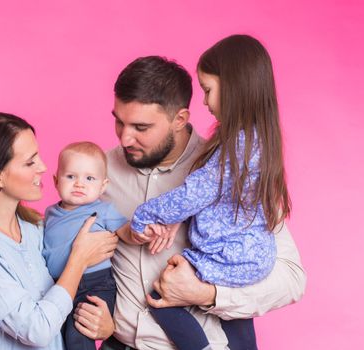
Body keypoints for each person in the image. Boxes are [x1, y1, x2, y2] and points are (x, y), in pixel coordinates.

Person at [74, 52, 306, 349]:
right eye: (120, 122)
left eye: (141, 128)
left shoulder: (234, 170)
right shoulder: (96, 173)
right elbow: (72, 247)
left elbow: (291, 279)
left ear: (179, 119)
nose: (125, 139)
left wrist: (206, 294)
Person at [128, 34, 289, 349]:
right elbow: (220, 201)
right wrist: (184, 218)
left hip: (227, 255)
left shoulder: (237, 148)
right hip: (249, 255)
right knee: (237, 319)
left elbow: (194, 194)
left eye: (207, 90)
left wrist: (143, 215)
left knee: (160, 293)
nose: (203, 102)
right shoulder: (259, 139)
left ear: (234, 88)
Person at [0, 112, 118, 349]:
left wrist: (104, 326)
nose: (43, 167)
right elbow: (36, 330)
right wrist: (79, 259)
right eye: (30, 162)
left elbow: (60, 307)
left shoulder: (35, 228)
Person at [43, 141, 128, 350]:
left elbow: (126, 231)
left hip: (95, 284)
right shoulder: (49, 213)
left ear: (103, 185)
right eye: (71, 176)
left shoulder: (103, 210)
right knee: (57, 337)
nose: (79, 184)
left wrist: (142, 233)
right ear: (56, 181)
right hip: (59, 285)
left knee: (78, 334)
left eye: (89, 178)